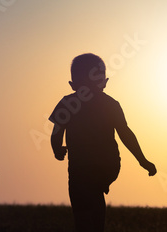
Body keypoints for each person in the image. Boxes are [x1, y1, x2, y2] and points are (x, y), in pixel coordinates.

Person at [49, 53, 157, 232]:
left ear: (73, 84)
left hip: (85, 168)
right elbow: (126, 134)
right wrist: (142, 160)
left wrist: (57, 149)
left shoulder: (69, 103)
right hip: (106, 166)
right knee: (92, 195)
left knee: (84, 199)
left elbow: (56, 131)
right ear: (104, 82)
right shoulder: (110, 104)